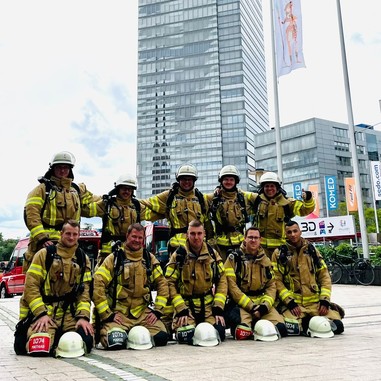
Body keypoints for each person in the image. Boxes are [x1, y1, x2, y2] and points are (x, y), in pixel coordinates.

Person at [15, 220, 94, 357]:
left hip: (68, 314)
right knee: (39, 348)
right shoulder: (44, 254)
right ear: (61, 234)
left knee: (86, 341)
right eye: (68, 233)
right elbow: (30, 286)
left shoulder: (82, 258)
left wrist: (83, 317)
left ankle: (57, 339)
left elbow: (84, 291)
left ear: (79, 236)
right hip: (46, 313)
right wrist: (41, 314)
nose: (71, 237)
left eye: (75, 234)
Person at [92, 223, 169, 350]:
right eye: (134, 237)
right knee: (115, 342)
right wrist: (108, 315)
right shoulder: (114, 259)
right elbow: (98, 284)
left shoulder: (149, 259)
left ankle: (131, 335)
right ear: (127, 236)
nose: (137, 240)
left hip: (143, 315)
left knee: (161, 337)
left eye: (140, 238)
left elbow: (162, 284)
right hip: (119, 316)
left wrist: (157, 311)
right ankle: (116, 333)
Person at [23, 151, 99, 271]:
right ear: (52, 169)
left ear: (70, 170)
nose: (62, 171)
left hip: (69, 246)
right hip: (44, 245)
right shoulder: (41, 190)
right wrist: (42, 238)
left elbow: (94, 201)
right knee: (38, 282)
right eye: (59, 167)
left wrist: (115, 199)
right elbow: (32, 216)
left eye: (66, 167)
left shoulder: (75, 191)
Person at [271, 220, 344, 336]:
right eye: (289, 232)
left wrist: (324, 300)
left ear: (300, 231)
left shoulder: (312, 250)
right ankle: (307, 324)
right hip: (295, 306)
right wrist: (289, 302)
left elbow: (324, 276)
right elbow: (276, 281)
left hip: (315, 304)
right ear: (285, 234)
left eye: (295, 231)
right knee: (293, 329)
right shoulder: (279, 254)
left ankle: (310, 324)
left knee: (338, 327)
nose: (293, 234)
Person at [165, 220, 227, 345]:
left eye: (199, 233)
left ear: (204, 234)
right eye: (192, 234)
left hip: (208, 306)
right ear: (187, 234)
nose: (196, 237)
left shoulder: (212, 255)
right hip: (186, 307)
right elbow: (169, 283)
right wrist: (180, 309)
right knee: (186, 336)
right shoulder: (178, 256)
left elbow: (222, 280)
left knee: (218, 334)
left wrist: (218, 307)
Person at [224, 227, 287, 340]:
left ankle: (258, 324)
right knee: (241, 334)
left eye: (256, 238)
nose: (253, 240)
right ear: (244, 239)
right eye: (250, 237)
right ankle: (251, 325)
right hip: (243, 305)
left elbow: (272, 286)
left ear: (260, 240)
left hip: (262, 304)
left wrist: (264, 306)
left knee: (281, 329)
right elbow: (232, 287)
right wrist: (251, 307)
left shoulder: (265, 261)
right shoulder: (234, 259)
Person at [141, 164, 212, 254]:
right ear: (178, 180)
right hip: (177, 247)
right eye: (183, 179)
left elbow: (207, 222)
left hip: (198, 247)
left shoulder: (201, 199)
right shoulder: (169, 197)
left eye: (189, 179)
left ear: (194, 180)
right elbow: (146, 203)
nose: (187, 182)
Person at [94, 173, 162, 266]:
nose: (126, 191)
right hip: (108, 252)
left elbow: (153, 215)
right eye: (124, 188)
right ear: (117, 189)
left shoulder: (137, 207)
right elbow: (88, 210)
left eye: (129, 189)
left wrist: (168, 212)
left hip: (130, 252)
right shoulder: (108, 204)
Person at [251, 171, 315, 258]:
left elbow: (305, 210)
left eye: (272, 186)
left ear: (277, 188)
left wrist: (308, 199)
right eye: (267, 186)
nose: (269, 188)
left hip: (281, 250)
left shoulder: (287, 203)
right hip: (261, 250)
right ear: (262, 188)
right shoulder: (256, 201)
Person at [206, 165, 255, 262]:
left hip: (240, 244)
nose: (228, 182)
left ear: (236, 181)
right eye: (226, 179)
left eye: (231, 179)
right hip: (220, 245)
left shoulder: (243, 197)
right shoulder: (212, 198)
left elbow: (260, 198)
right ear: (221, 181)